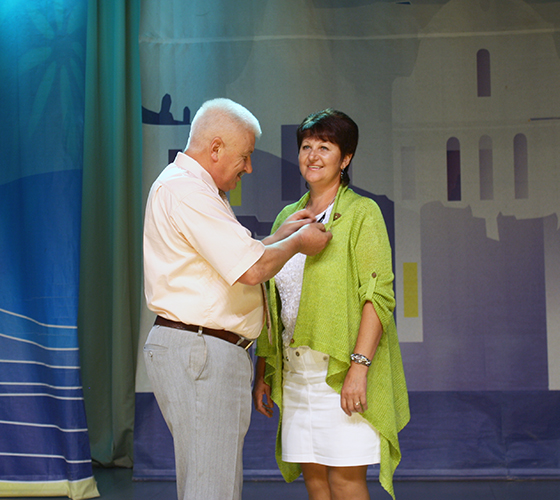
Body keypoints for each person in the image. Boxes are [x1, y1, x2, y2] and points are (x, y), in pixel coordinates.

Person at [142, 98, 332, 500]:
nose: (248, 167)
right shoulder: (187, 191)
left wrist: (277, 238)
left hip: (202, 348)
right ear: (216, 149)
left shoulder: (195, 190)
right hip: (201, 350)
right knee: (212, 488)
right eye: (244, 156)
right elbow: (251, 269)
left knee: (211, 482)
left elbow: (228, 260)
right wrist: (298, 243)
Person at [253, 109, 410, 500]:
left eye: (325, 147)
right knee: (316, 482)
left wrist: (359, 368)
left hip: (339, 370)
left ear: (346, 158)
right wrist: (264, 370)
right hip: (295, 372)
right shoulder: (288, 217)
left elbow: (377, 296)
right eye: (306, 146)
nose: (313, 155)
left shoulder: (362, 213)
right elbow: (272, 302)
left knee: (344, 481)